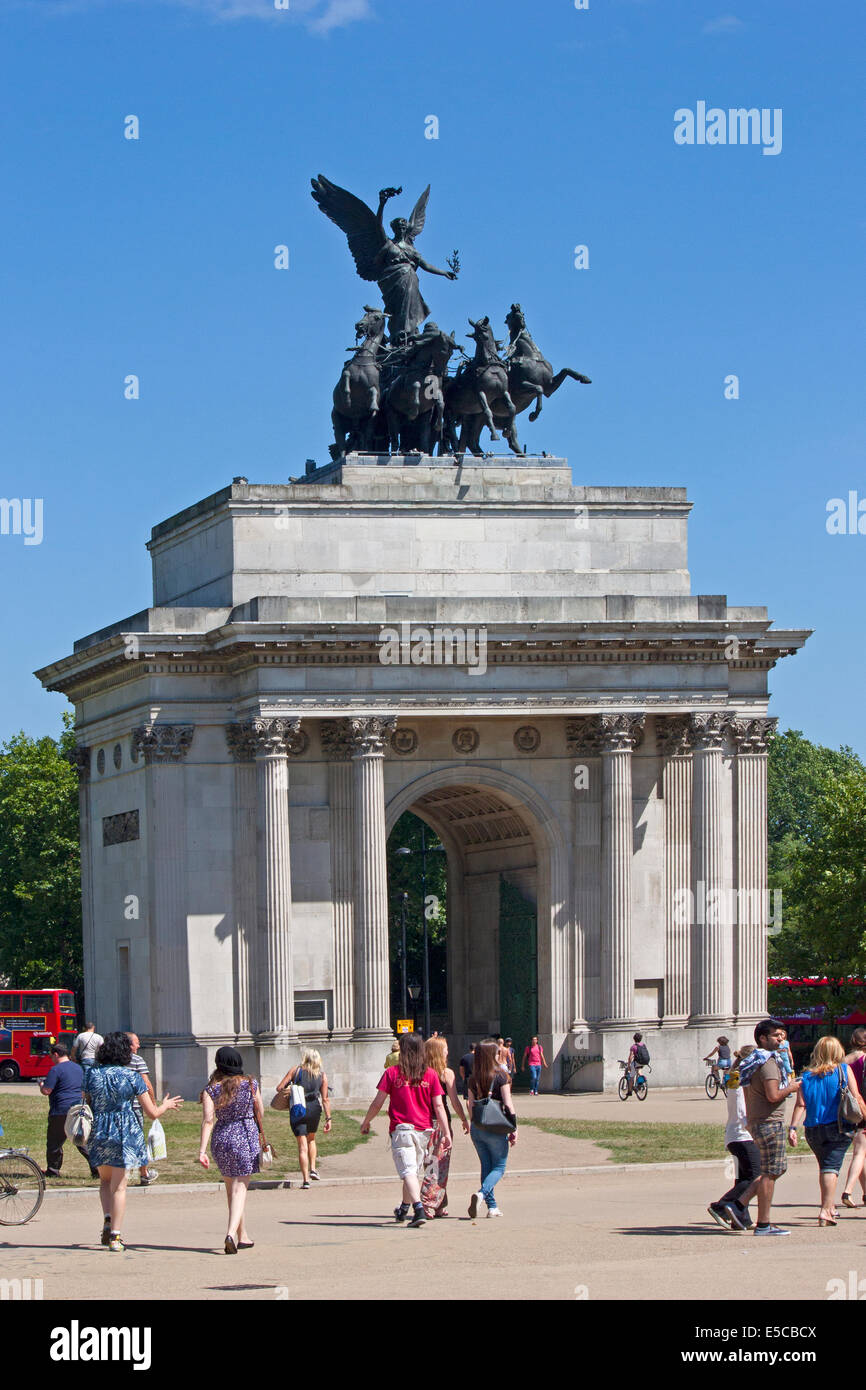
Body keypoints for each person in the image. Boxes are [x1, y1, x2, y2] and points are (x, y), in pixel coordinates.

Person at [86, 1031, 182, 1252]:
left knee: (104, 1181)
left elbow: (88, 1100)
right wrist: (166, 1105)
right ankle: (116, 1237)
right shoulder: (132, 1077)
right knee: (119, 1187)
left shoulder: (92, 1074)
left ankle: (108, 1218)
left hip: (99, 1129)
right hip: (125, 1131)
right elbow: (152, 1113)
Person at [359, 1031, 451, 1229]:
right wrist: (446, 1132)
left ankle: (418, 1208)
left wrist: (366, 1121)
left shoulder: (393, 1073)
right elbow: (439, 1106)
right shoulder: (430, 1074)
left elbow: (377, 1102)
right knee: (412, 1171)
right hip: (424, 1130)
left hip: (402, 1129)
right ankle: (403, 1208)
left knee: (408, 1171)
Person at [788, 1036, 866, 1226]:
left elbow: (800, 1104)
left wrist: (792, 1127)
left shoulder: (806, 1076)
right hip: (837, 1126)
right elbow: (856, 1097)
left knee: (825, 1168)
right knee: (831, 1169)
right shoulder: (843, 1070)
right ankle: (825, 1210)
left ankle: (829, 1206)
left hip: (812, 1129)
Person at [738, 1018, 801, 1236]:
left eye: (782, 1034)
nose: (781, 1038)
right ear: (762, 1038)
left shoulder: (754, 1060)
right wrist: (792, 1087)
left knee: (774, 1169)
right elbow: (773, 1095)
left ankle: (739, 1205)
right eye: (776, 1035)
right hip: (769, 1121)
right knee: (771, 1172)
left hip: (758, 1120)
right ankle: (762, 1223)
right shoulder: (767, 1062)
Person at [198, 1046, 264, 1253]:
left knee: (231, 1190)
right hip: (245, 1136)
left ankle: (242, 1235)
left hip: (222, 1138)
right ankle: (229, 1234)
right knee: (240, 1189)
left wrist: (202, 1151)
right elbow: (260, 1111)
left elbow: (208, 1120)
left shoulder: (211, 1089)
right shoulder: (251, 1084)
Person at [707, 1045, 760, 1231]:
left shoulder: (734, 1077)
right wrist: (753, 1128)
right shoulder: (738, 1080)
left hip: (735, 1135)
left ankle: (741, 1218)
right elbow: (741, 1110)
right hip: (742, 1135)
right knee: (756, 1176)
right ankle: (721, 1206)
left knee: (743, 1178)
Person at [467, 1039, 518, 1218]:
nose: (499, 1055)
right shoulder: (501, 1076)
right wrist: (514, 1127)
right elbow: (508, 1103)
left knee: (486, 1166)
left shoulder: (473, 1078)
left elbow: (470, 1104)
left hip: (478, 1127)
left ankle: (492, 1207)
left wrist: (474, 1122)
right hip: (497, 1126)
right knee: (499, 1167)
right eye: (497, 1053)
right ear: (492, 1055)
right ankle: (481, 1194)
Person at [420, 1036, 469, 1218]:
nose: (448, 1051)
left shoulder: (419, 1071)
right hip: (440, 1123)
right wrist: (463, 1118)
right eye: (446, 1048)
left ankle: (439, 1203)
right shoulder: (446, 1073)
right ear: (439, 1051)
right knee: (439, 1164)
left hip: (422, 1122)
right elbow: (454, 1100)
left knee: (432, 1164)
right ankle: (425, 1203)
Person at [275, 1048, 332, 1188]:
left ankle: (306, 1180)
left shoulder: (296, 1070)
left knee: (302, 1145)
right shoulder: (322, 1075)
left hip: (298, 1107)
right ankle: (313, 1169)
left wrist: (291, 1087)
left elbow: (279, 1087)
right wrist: (328, 1118)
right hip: (314, 1109)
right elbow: (325, 1099)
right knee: (311, 1139)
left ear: (304, 1058)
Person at [39, 1043, 94, 1178]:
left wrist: (41, 1085)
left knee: (54, 1142)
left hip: (60, 1110)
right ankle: (97, 1168)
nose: (51, 1058)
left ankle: (53, 1170)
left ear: (56, 1054)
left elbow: (47, 1091)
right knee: (81, 1140)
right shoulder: (78, 1068)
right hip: (77, 1108)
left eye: (51, 1055)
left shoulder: (55, 1070)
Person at [127, 1033, 158, 1187]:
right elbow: (146, 1083)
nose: (138, 1046)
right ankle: (144, 1174)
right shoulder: (137, 1060)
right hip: (135, 1107)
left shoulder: (112, 1062)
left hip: (117, 1110)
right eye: (136, 1043)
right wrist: (152, 1104)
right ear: (128, 1045)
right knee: (138, 1141)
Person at [841, 1026, 866, 1208]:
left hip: (848, 1110)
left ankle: (865, 1193)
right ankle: (848, 1190)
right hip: (863, 1107)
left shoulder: (844, 1061)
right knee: (860, 1152)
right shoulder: (865, 1059)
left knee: (860, 1149)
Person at [624, 1033, 647, 1097]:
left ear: (634, 1039)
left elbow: (630, 1057)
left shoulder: (633, 1047)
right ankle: (642, 1081)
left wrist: (629, 1065)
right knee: (639, 1072)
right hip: (643, 1062)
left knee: (632, 1076)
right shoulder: (643, 1045)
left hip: (637, 1062)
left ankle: (629, 1091)